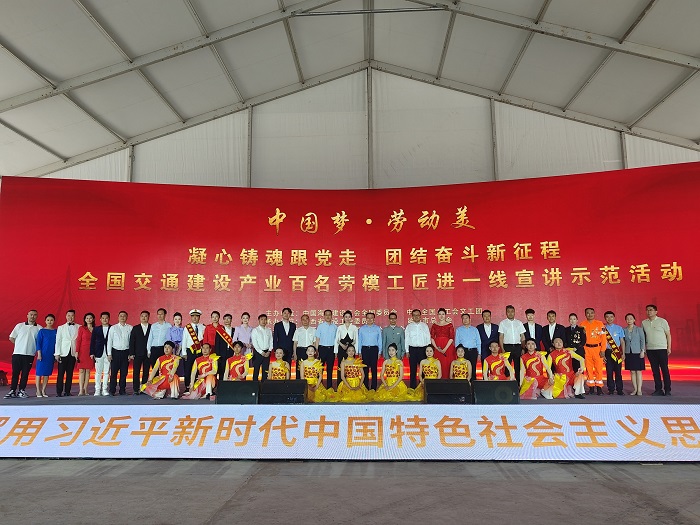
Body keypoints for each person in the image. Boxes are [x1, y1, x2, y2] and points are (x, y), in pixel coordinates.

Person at [5, 309, 41, 399]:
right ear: (27, 315)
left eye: (35, 315)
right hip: (17, 353)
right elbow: (11, 337)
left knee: (25, 374)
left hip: (29, 354)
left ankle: (21, 390)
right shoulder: (19, 326)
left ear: (37, 316)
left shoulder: (39, 328)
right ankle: (12, 390)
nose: (32, 316)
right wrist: (19, 345)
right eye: (31, 314)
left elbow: (40, 342)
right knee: (15, 373)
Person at [642, 304, 672, 396]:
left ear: (656, 312)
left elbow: (668, 335)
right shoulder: (644, 323)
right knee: (655, 371)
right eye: (647, 310)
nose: (649, 312)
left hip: (661, 348)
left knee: (664, 369)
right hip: (650, 349)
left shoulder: (662, 321)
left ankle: (667, 389)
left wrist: (669, 347)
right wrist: (644, 348)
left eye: (651, 310)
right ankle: (658, 389)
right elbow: (643, 337)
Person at [580, 307, 605, 395]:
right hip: (586, 349)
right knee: (589, 368)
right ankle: (591, 387)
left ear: (594, 314)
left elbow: (604, 338)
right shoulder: (582, 325)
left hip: (597, 349)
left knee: (599, 368)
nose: (590, 314)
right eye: (588, 313)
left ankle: (599, 387)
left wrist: (603, 350)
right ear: (585, 314)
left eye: (591, 313)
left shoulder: (600, 324)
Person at [107, 311, 132, 396]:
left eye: (124, 316)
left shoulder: (130, 328)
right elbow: (109, 341)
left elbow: (131, 342)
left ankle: (122, 390)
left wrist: (130, 353)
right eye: (121, 316)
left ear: (127, 317)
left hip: (126, 353)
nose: (122, 317)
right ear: (118, 317)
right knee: (113, 373)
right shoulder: (113, 328)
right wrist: (109, 354)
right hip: (115, 352)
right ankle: (112, 390)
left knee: (124, 373)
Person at [55, 309, 79, 397]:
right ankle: (59, 392)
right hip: (63, 353)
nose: (70, 317)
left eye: (72, 316)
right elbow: (58, 341)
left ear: (74, 316)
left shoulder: (79, 327)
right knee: (60, 373)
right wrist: (57, 353)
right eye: (69, 315)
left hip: (73, 353)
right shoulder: (61, 327)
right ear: (66, 316)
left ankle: (67, 391)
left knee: (70, 373)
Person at [499, 305, 526, 381]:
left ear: (514, 312)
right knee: (507, 366)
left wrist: (523, 348)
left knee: (518, 366)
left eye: (512, 311)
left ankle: (518, 383)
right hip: (507, 347)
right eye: (508, 312)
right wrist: (502, 349)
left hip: (518, 347)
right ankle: (507, 383)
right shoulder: (502, 323)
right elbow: (501, 337)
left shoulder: (519, 323)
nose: (510, 313)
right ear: (506, 313)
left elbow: (522, 336)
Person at [405, 309, 430, 388]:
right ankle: (412, 387)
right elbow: (407, 339)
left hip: (423, 349)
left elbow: (428, 338)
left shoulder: (425, 326)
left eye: (418, 315)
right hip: (412, 349)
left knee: (423, 369)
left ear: (420, 316)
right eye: (414, 315)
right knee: (413, 369)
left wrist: (428, 350)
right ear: (412, 317)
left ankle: (422, 387)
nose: (416, 317)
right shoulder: (409, 326)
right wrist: (407, 351)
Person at [181, 309, 205, 391]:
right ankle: (187, 386)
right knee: (188, 369)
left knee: (199, 369)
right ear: (191, 317)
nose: (195, 318)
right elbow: (184, 340)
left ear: (199, 317)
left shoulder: (203, 327)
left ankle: (197, 386)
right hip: (189, 351)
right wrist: (184, 353)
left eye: (196, 316)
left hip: (200, 351)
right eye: (193, 316)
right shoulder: (187, 327)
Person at [603, 311, 626, 395]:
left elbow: (622, 341)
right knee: (609, 371)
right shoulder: (603, 329)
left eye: (611, 317)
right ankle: (611, 389)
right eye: (607, 317)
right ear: (605, 318)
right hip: (607, 352)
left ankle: (619, 389)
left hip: (617, 352)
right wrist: (602, 354)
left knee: (618, 371)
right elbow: (601, 342)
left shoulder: (619, 328)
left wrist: (623, 353)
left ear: (614, 318)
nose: (609, 319)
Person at [129, 310, 151, 395]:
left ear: (148, 317)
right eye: (142, 316)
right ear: (140, 317)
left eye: (146, 316)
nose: (144, 317)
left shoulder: (151, 327)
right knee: (136, 371)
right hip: (137, 353)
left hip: (148, 353)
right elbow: (132, 341)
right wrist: (131, 353)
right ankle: (136, 388)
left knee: (146, 371)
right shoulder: (135, 328)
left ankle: (144, 388)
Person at [34, 314, 56, 398]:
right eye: (48, 320)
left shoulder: (56, 331)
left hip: (51, 354)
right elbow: (38, 343)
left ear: (54, 321)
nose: (49, 322)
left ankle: (43, 390)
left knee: (47, 373)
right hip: (43, 354)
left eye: (51, 320)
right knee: (39, 373)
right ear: (45, 321)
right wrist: (39, 353)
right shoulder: (42, 331)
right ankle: (38, 390)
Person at [624, 313, 646, 396]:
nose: (629, 320)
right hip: (628, 352)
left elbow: (642, 340)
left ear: (634, 320)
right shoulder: (624, 330)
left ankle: (639, 390)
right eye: (627, 319)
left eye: (631, 318)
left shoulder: (639, 329)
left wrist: (642, 351)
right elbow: (623, 342)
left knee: (638, 371)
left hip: (637, 352)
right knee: (632, 371)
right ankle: (635, 389)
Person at [358, 312, 382, 389]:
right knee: (365, 369)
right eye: (368, 318)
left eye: (371, 318)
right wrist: (359, 351)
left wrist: (379, 352)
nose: (369, 319)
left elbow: (379, 341)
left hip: (374, 349)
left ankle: (374, 387)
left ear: (374, 319)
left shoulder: (377, 328)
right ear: (366, 319)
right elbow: (359, 340)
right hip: (365, 349)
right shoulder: (362, 329)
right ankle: (365, 387)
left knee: (374, 369)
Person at [90, 311, 111, 396]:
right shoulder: (96, 329)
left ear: (109, 319)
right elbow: (92, 341)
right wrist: (92, 352)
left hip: (108, 353)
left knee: (106, 372)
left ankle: (104, 389)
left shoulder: (112, 328)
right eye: (103, 318)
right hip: (98, 352)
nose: (105, 320)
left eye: (106, 318)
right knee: (98, 372)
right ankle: (97, 389)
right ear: (100, 319)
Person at [334, 310, 358, 386]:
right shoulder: (340, 327)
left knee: (350, 367)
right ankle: (340, 385)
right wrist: (337, 350)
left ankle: (351, 384)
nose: (347, 318)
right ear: (343, 318)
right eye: (346, 317)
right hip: (341, 348)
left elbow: (356, 339)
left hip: (351, 350)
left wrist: (355, 350)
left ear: (351, 318)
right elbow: (337, 339)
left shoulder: (354, 327)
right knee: (340, 366)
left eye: (349, 317)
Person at [430, 308, 455, 379]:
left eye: (443, 314)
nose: (441, 316)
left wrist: (445, 349)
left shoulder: (449, 325)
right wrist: (436, 348)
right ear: (437, 315)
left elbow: (451, 338)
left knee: (447, 364)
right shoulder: (434, 325)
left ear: (445, 315)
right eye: (440, 314)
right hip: (437, 346)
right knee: (438, 363)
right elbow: (432, 337)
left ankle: (448, 381)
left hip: (447, 347)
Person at [315, 309, 337, 388]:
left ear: (331, 316)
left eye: (329, 315)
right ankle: (319, 387)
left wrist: (336, 351)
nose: (328, 316)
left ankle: (329, 387)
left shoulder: (335, 327)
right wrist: (316, 350)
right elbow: (317, 339)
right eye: (326, 315)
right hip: (322, 349)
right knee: (320, 369)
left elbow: (336, 340)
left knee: (330, 369)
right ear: (324, 316)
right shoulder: (320, 326)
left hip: (331, 349)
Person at [74, 312, 95, 396]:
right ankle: (80, 389)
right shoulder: (82, 328)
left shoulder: (95, 329)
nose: (89, 319)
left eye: (90, 318)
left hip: (91, 352)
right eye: (87, 318)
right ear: (85, 320)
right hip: (82, 351)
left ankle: (86, 389)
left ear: (93, 319)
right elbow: (78, 340)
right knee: (81, 370)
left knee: (88, 370)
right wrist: (77, 351)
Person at [454, 313, 480, 380]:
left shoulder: (475, 329)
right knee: (463, 368)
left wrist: (479, 353)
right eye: (463, 319)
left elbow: (478, 342)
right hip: (463, 351)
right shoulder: (459, 330)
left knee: (473, 368)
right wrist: (458, 352)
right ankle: (464, 383)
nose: (465, 320)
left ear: (470, 319)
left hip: (473, 351)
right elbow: (457, 343)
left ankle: (473, 383)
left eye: (466, 318)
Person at [213, 313, 236, 381]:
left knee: (231, 369)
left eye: (228, 319)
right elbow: (217, 344)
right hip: (222, 353)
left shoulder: (235, 330)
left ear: (231, 320)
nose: (227, 320)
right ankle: (221, 385)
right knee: (222, 370)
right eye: (225, 319)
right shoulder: (220, 331)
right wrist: (218, 355)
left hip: (231, 352)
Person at [292, 314, 316, 380]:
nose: (305, 321)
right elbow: (295, 343)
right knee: (299, 368)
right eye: (303, 320)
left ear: (309, 320)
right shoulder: (298, 330)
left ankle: (310, 383)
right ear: (301, 321)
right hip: (300, 351)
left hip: (310, 351)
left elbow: (314, 342)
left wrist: (315, 352)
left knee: (310, 367)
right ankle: (298, 383)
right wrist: (295, 354)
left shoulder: (313, 330)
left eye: (306, 319)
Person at [251, 314, 273, 381]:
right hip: (258, 352)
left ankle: (264, 384)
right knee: (256, 369)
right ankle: (255, 384)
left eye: (265, 319)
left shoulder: (269, 330)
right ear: (259, 321)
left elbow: (271, 341)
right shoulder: (255, 330)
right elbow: (255, 343)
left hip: (267, 352)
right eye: (262, 319)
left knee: (265, 370)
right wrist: (261, 352)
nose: (263, 321)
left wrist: (269, 351)